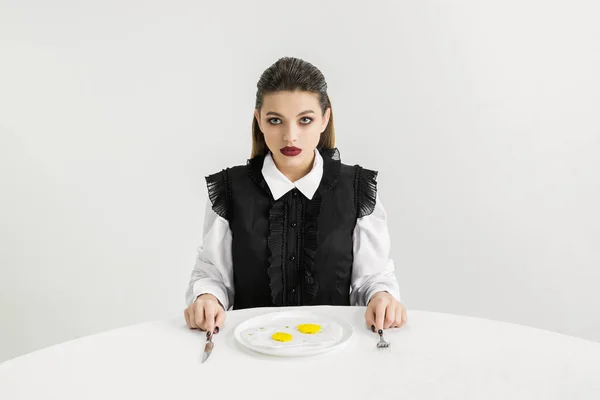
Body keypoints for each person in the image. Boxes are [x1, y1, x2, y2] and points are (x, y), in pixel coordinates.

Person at [184, 56, 407, 335]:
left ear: (325, 119)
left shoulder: (356, 189)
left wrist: (382, 297)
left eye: (305, 120)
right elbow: (212, 275)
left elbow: (372, 279)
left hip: (336, 351)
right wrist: (206, 298)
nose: (290, 136)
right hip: (249, 351)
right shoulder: (230, 190)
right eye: (276, 120)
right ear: (259, 121)